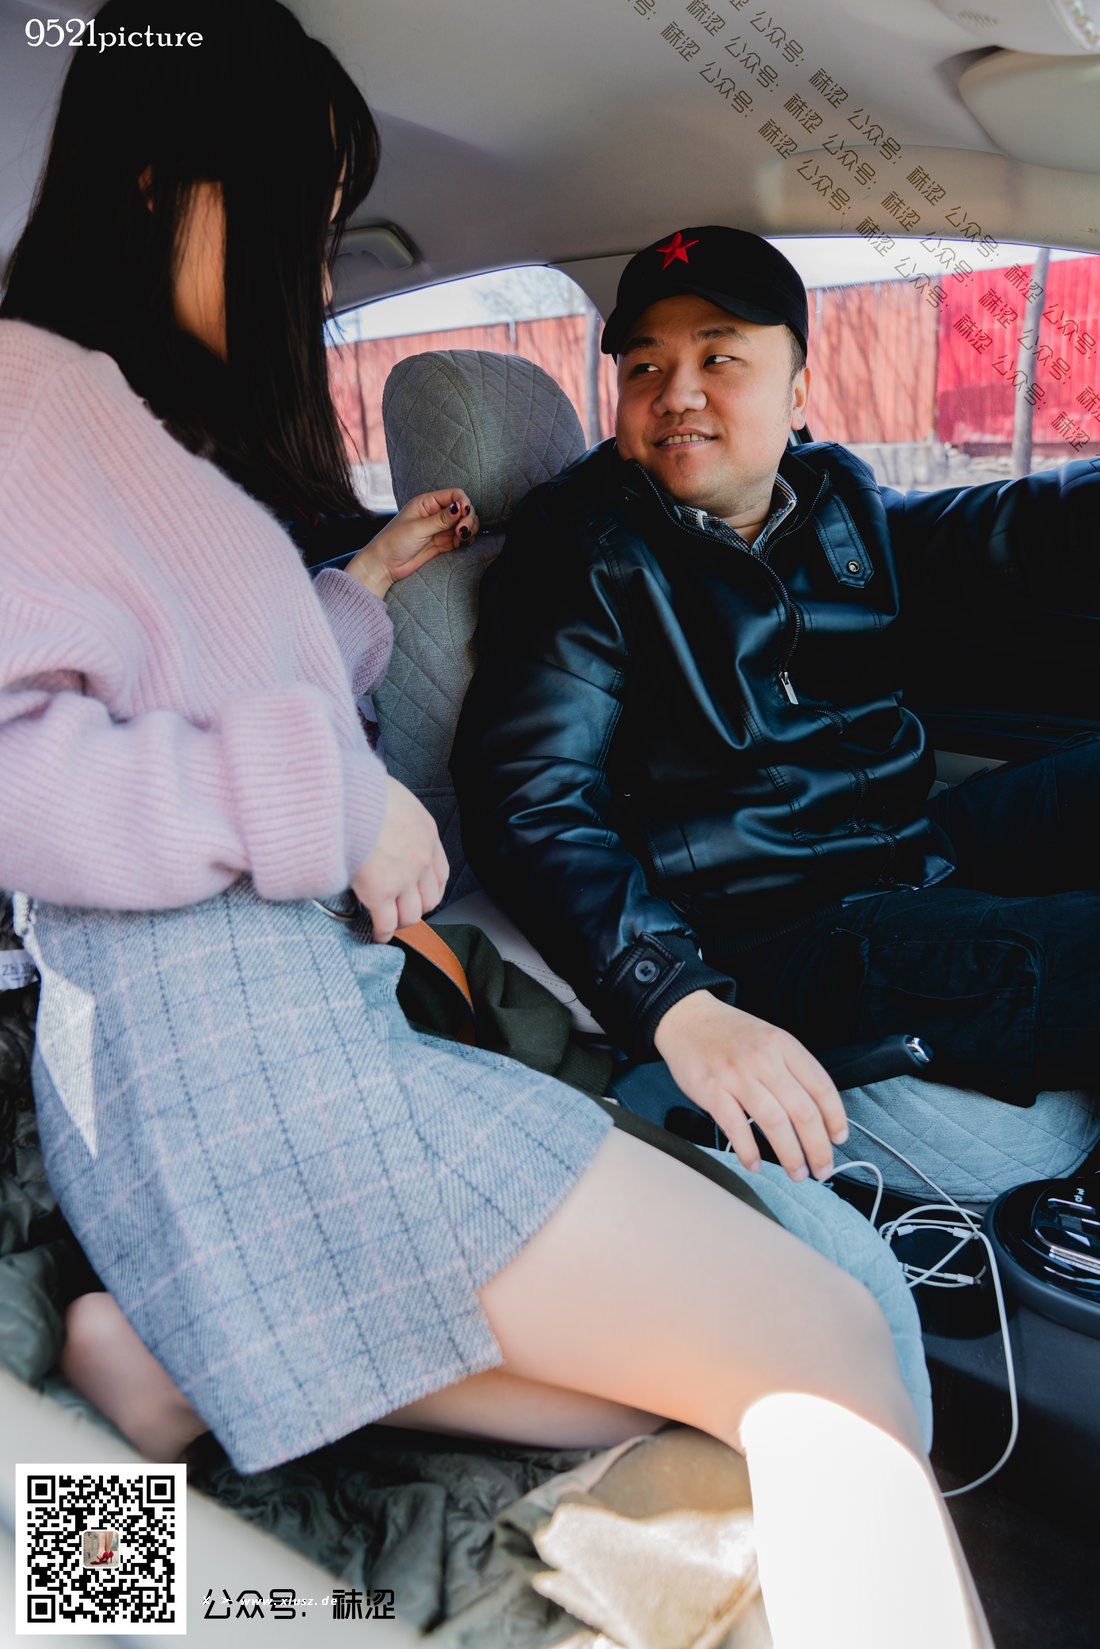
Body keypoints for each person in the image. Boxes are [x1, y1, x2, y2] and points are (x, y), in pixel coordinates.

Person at [0, 15, 991, 1643]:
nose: (316, 274)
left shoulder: (138, 432)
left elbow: (182, 685)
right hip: (266, 1084)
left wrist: (355, 596)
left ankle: (167, 1362)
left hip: (308, 1042)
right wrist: (336, 800)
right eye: (308, 220)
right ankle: (189, 1349)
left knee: (710, 1382)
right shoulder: (28, 402)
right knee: (832, 1351)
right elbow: (26, 774)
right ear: (169, 179)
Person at [452, 224, 1100, 1186]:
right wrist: (676, 1001)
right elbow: (527, 795)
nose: (677, 392)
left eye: (719, 358)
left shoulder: (834, 497)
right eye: (645, 367)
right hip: (779, 929)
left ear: (798, 392)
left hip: (913, 841)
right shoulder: (583, 549)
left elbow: (997, 535)